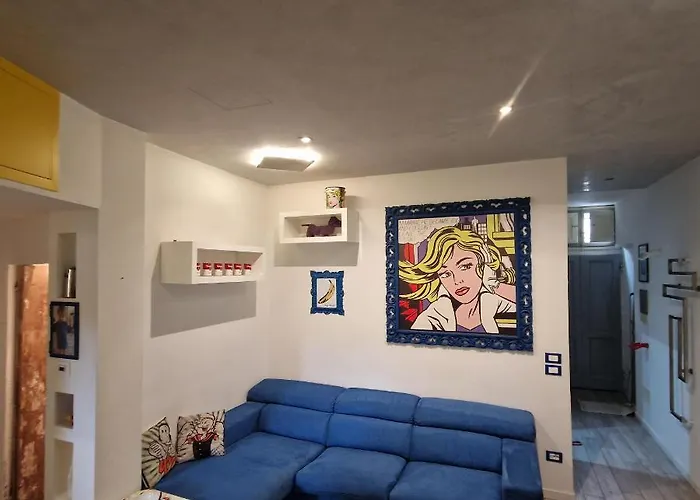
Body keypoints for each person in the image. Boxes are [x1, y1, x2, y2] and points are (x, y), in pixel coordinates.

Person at [399, 225, 516, 333]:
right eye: (445, 274)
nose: (457, 281)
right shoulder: (432, 318)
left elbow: (523, 303)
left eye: (465, 266)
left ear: (482, 265)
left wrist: (494, 284)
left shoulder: (494, 302)